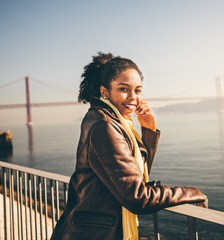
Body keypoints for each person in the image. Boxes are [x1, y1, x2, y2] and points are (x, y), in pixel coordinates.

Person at [50, 52, 208, 240]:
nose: (133, 97)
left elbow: (133, 177)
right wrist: (192, 193)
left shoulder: (110, 121)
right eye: (124, 89)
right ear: (105, 91)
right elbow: (137, 197)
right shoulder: (105, 125)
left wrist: (148, 131)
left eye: (138, 90)